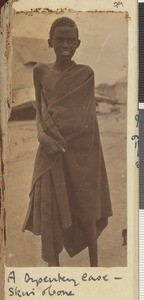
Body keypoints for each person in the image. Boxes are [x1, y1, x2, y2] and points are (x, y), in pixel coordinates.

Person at [22, 17, 112, 267]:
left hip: (82, 152)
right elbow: (40, 111)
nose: (65, 44)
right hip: (50, 150)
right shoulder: (40, 71)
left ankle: (94, 268)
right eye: (59, 39)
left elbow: (83, 117)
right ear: (50, 42)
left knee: (86, 209)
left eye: (70, 40)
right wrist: (42, 136)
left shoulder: (86, 74)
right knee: (51, 207)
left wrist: (55, 140)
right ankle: (55, 269)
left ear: (78, 43)